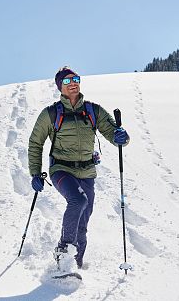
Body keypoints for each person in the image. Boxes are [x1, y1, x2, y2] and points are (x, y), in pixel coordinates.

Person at [28, 66, 129, 271]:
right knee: (78, 200)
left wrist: (122, 137)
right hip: (61, 170)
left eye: (76, 79)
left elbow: (113, 134)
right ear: (60, 87)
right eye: (67, 81)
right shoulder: (51, 113)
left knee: (83, 222)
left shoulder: (93, 110)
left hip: (87, 172)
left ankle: (75, 266)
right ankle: (63, 250)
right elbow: (35, 143)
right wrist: (35, 173)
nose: (72, 83)